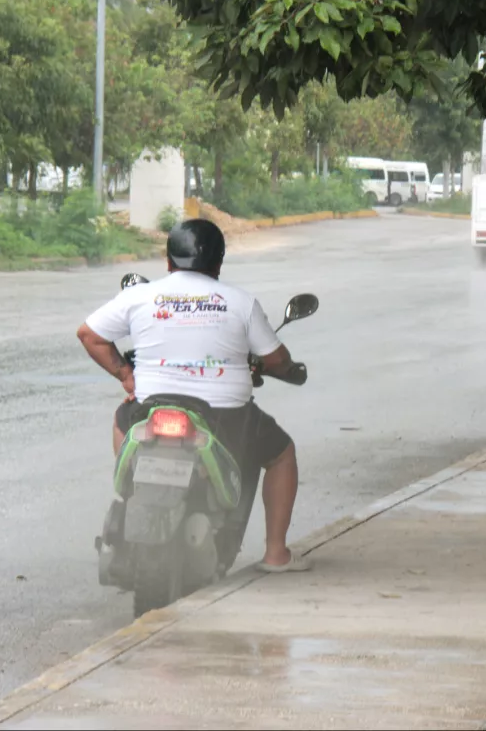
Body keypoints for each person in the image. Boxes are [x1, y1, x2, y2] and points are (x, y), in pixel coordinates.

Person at [76, 219, 311, 573]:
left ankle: (133, 490)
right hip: (226, 416)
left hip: (153, 407)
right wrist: (283, 369)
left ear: (168, 260)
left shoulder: (140, 295)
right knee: (281, 454)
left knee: (122, 419)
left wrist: (127, 376)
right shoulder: (240, 302)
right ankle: (276, 553)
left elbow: (89, 335)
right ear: (219, 262)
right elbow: (276, 359)